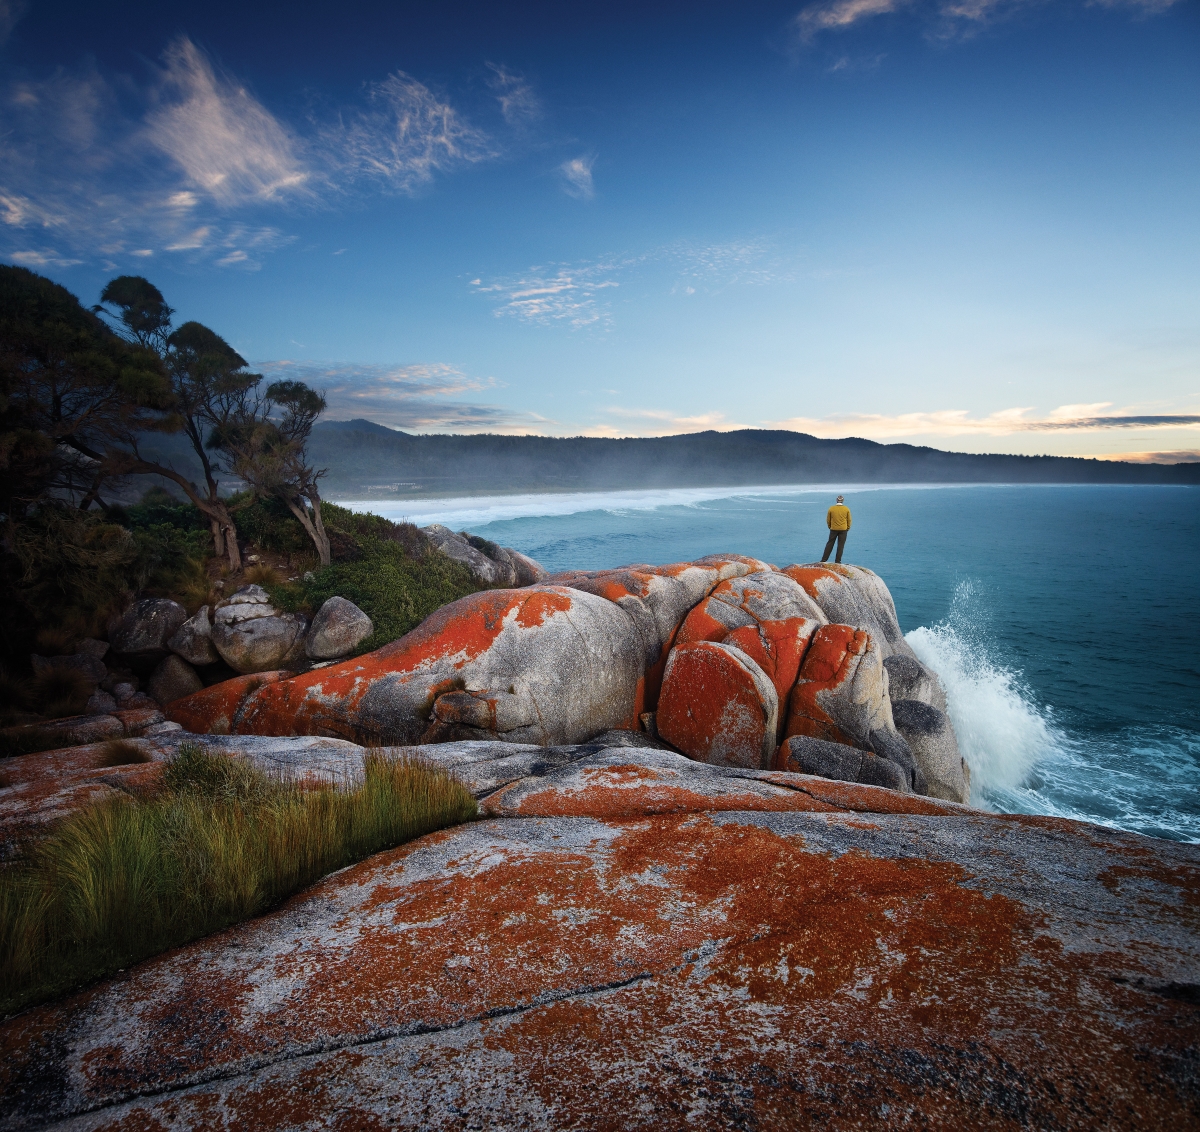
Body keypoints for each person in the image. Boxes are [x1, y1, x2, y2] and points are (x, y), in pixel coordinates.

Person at [821, 495, 851, 564]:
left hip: (833, 529)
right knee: (840, 545)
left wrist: (830, 526)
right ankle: (838, 561)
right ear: (843, 501)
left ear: (836, 500)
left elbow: (828, 519)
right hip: (843, 529)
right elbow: (849, 520)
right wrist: (847, 528)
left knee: (830, 544)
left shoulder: (831, 508)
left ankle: (823, 560)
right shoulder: (846, 509)